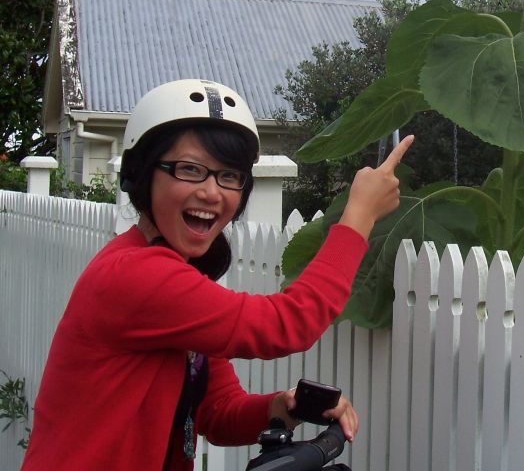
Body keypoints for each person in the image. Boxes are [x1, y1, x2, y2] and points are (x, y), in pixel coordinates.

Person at [21, 79, 413, 470]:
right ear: (142, 175)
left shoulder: (177, 276)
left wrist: (283, 406)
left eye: (229, 176)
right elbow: (289, 324)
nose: (212, 192)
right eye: (190, 169)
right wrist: (359, 215)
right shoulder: (136, 275)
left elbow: (217, 412)